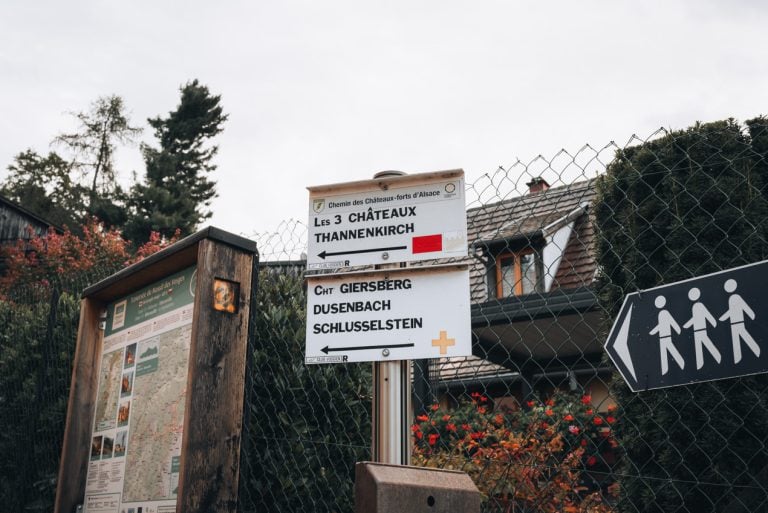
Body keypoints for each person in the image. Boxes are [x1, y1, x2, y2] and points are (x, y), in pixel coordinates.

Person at [719, 279, 760, 363]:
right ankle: (738, 358)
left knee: (744, 336)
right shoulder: (731, 298)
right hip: (733, 323)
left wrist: (751, 314)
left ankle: (756, 350)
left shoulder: (735, 297)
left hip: (739, 322)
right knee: (735, 340)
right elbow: (732, 310)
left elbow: (742, 307)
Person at [682, 287, 722, 369]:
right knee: (698, 346)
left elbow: (706, 315)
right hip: (696, 330)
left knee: (706, 343)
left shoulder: (699, 305)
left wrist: (713, 322)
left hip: (701, 329)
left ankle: (717, 356)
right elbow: (695, 318)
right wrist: (688, 325)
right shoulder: (694, 306)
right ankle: (700, 363)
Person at [650, 295, 686, 375]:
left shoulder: (664, 313)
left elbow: (671, 322)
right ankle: (665, 370)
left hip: (666, 336)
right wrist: (654, 331)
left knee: (671, 349)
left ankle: (681, 362)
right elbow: (660, 325)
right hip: (661, 337)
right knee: (663, 353)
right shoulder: (660, 314)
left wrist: (677, 329)